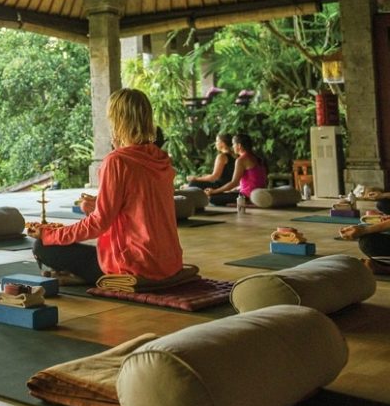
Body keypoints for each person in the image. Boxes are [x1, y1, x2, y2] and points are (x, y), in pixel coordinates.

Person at [30, 89, 184, 285]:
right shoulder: (161, 158)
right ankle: (82, 277)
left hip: (135, 266)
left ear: (118, 120)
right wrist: (97, 205)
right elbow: (140, 210)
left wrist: (49, 234)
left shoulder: (117, 161)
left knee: (42, 247)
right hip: (168, 264)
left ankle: (95, 278)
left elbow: (98, 224)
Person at [204, 133, 267, 206]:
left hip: (247, 196)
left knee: (212, 198)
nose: (232, 147)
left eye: (233, 144)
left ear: (239, 146)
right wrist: (234, 189)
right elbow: (252, 181)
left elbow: (233, 182)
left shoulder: (241, 160)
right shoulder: (257, 158)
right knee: (226, 193)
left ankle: (240, 204)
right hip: (257, 193)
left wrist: (214, 191)